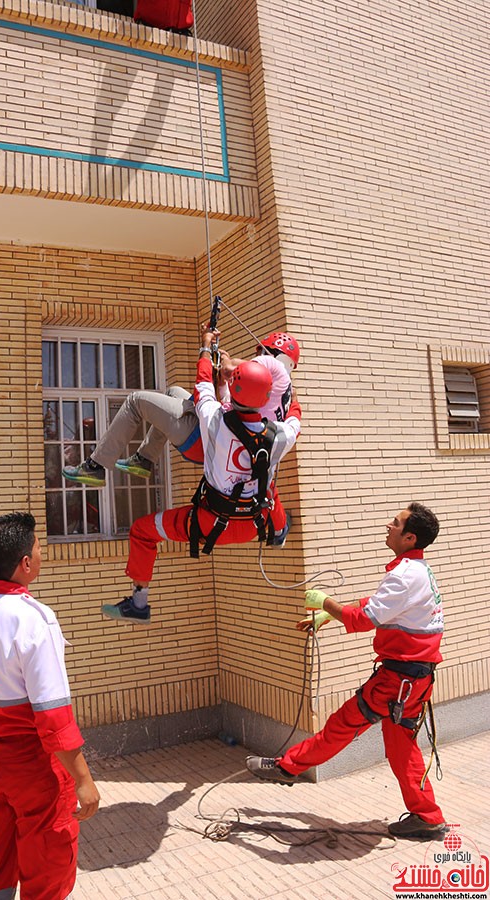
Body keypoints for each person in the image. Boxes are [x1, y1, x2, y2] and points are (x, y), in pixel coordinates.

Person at [246, 503, 447, 840]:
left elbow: (362, 619)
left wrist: (324, 602)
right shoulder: (416, 570)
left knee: (341, 726)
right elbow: (379, 604)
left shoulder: (403, 575)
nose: (388, 525)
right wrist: (329, 616)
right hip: (415, 680)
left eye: (395, 524)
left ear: (409, 537)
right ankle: (426, 816)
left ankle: (286, 768)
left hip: (397, 681)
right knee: (402, 748)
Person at [0, 512, 100, 899]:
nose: (42, 555)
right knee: (48, 859)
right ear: (25, 564)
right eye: (38, 549)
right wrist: (83, 779)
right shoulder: (34, 619)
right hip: (31, 763)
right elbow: (53, 716)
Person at [100, 328, 302, 623]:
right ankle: (279, 531)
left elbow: (202, 384)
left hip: (208, 524)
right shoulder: (281, 435)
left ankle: (139, 603)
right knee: (268, 484)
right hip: (253, 525)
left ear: (235, 388)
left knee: (143, 532)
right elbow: (295, 415)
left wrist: (206, 348)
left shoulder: (215, 420)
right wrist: (290, 393)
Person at [62, 328, 300, 486]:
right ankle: (144, 459)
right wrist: (221, 380)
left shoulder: (271, 368)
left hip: (204, 438)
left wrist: (209, 350)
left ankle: (96, 465)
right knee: (174, 392)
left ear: (272, 353)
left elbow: (228, 370)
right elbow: (225, 398)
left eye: (259, 351)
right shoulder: (282, 397)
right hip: (221, 443)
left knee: (136, 401)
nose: (255, 355)